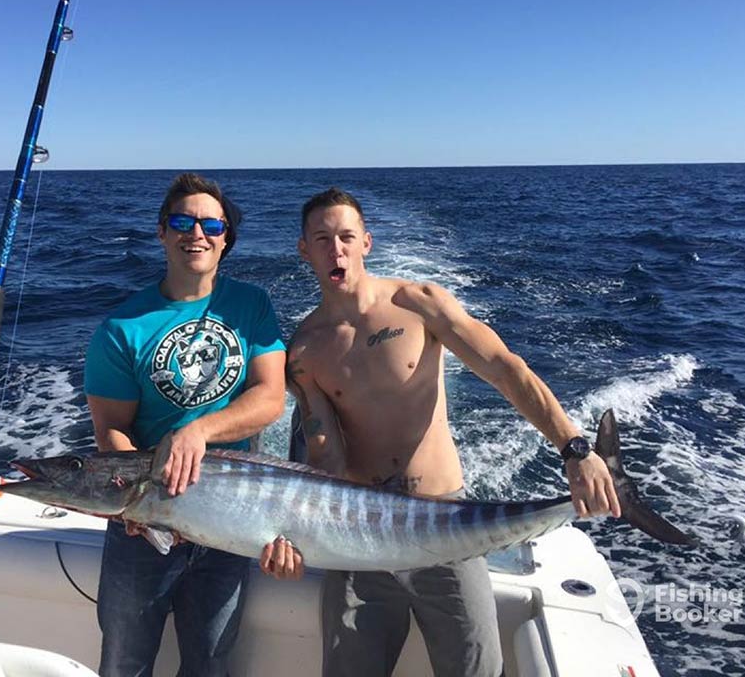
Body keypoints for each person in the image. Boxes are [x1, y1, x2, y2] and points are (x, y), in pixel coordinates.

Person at [259, 187, 621, 677]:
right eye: (321, 239)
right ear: (304, 250)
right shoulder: (302, 350)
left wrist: (575, 449)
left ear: (367, 242)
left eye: (346, 236)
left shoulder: (420, 303)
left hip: (445, 526)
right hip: (357, 535)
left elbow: (504, 369)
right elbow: (325, 452)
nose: (335, 249)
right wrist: (297, 532)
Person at [85, 172, 286, 677]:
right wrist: (132, 498)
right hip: (143, 525)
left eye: (211, 224)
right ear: (161, 232)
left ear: (225, 239)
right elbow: (111, 429)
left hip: (230, 521)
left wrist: (197, 430)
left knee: (210, 664)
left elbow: (269, 398)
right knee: (124, 665)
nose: (196, 233)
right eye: (182, 221)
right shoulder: (121, 328)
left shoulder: (251, 305)